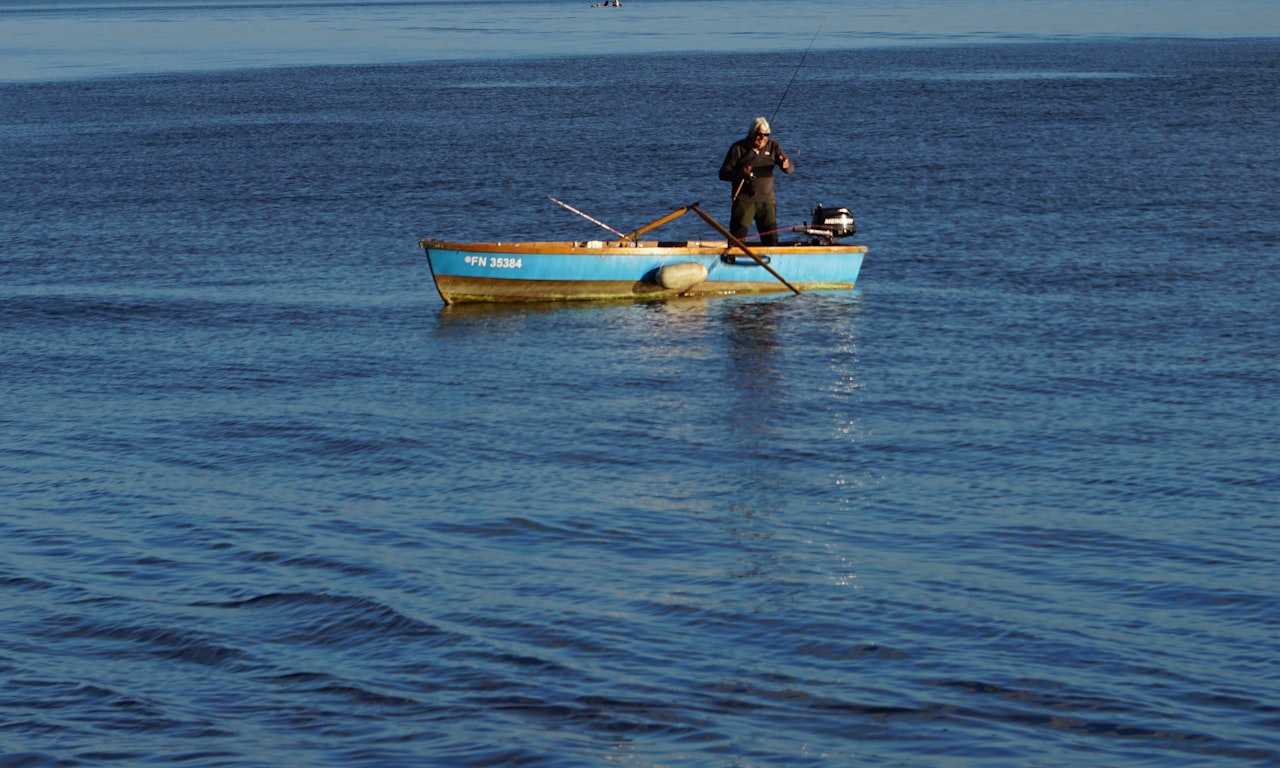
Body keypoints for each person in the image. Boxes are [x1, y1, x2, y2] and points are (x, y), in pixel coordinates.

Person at [718, 117, 793, 245]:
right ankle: (732, 259)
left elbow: (790, 168)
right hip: (744, 201)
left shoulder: (774, 147)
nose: (762, 138)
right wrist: (741, 173)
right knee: (737, 239)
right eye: (759, 134)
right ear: (752, 133)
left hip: (766, 202)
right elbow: (723, 174)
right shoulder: (738, 148)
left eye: (766, 135)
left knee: (771, 240)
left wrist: (785, 165)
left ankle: (771, 261)